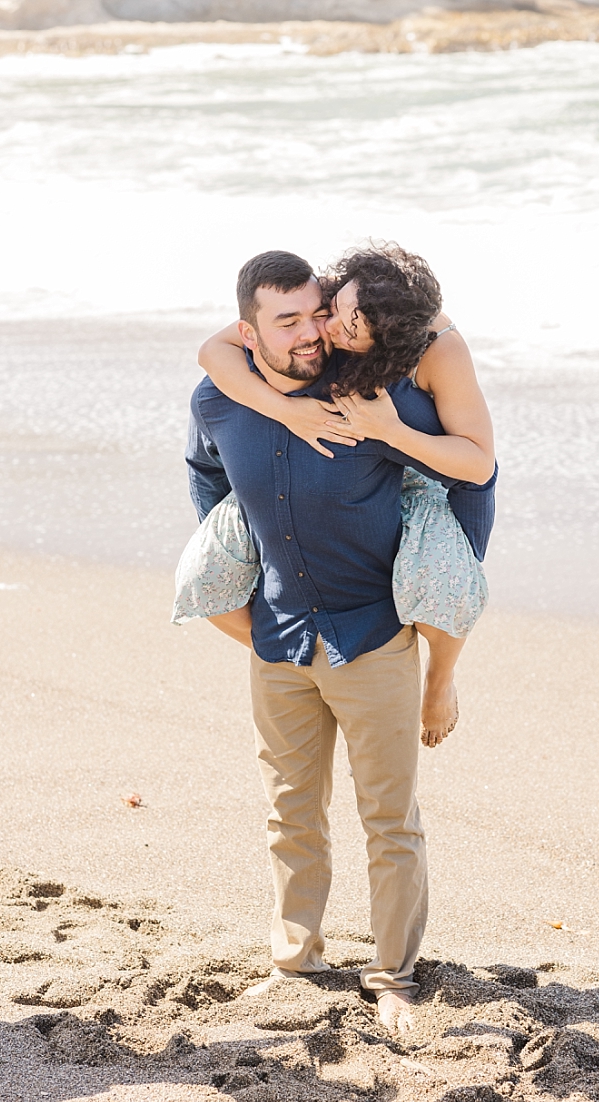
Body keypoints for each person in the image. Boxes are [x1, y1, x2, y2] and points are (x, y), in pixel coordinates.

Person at [184, 250, 477, 1032]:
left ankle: (393, 975)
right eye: (291, 321)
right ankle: (295, 959)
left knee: (390, 818)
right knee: (290, 811)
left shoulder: (365, 394)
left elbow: (468, 472)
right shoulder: (221, 400)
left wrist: (445, 593)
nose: (315, 331)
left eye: (320, 312)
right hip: (277, 640)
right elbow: (204, 473)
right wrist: (230, 556)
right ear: (251, 334)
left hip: (373, 636)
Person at [184, 242, 495, 748]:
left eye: (347, 332)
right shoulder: (335, 297)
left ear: (380, 347)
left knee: (445, 585)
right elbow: (213, 351)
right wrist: (285, 411)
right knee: (209, 581)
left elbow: (478, 466)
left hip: (439, 467)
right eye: (335, 311)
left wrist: (392, 431)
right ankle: (314, 658)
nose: (324, 331)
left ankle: (439, 683)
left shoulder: (437, 349)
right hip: (370, 444)